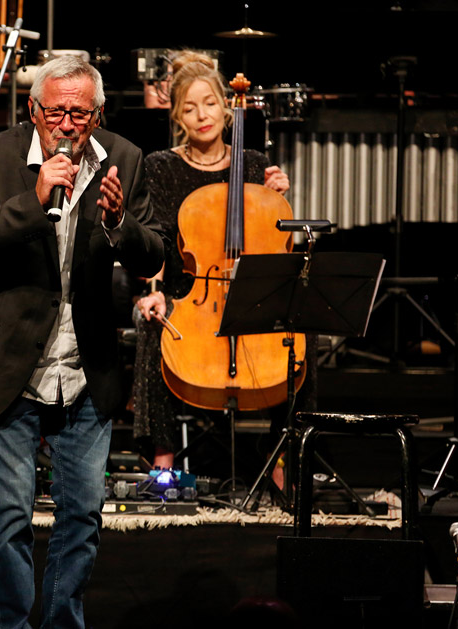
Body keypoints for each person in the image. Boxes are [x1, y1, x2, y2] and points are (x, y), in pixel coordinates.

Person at [0, 56, 164, 627]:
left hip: (86, 367)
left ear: (98, 112)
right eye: (54, 110)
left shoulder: (125, 159)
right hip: (10, 365)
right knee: (9, 515)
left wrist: (118, 226)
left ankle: (64, 622)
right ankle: (9, 624)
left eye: (79, 113)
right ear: (33, 110)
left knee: (82, 515)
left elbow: (155, 251)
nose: (66, 123)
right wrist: (32, 201)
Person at [133, 51, 303, 474]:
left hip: (250, 294)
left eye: (209, 103)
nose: (201, 115)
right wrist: (151, 294)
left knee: (302, 334)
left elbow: (279, 243)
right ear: (177, 116)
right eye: (189, 108)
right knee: (152, 324)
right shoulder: (161, 167)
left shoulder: (256, 165)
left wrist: (280, 201)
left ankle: (281, 455)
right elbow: (153, 238)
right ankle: (164, 458)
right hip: (188, 295)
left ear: (227, 106)